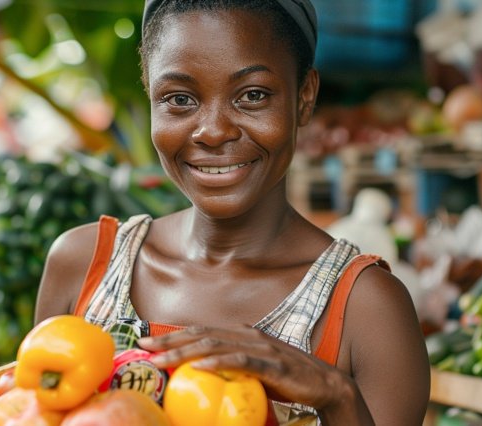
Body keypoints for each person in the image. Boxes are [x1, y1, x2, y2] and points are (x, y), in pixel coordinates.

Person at [35, 1, 430, 424]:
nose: (214, 131)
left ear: (304, 97)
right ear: (149, 93)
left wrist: (336, 397)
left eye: (252, 96)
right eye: (180, 99)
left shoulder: (366, 309)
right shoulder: (84, 266)